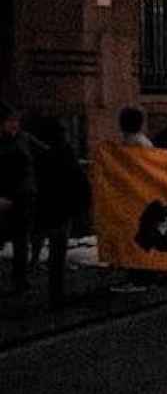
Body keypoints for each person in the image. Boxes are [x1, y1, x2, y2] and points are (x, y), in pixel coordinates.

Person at [26, 116, 87, 307]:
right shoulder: (64, 152)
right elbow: (76, 178)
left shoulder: (39, 154)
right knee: (58, 252)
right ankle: (56, 294)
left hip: (46, 206)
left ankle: (53, 290)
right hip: (62, 207)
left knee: (52, 249)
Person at [0, 103, 37, 293]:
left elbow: (44, 155)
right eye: (10, 121)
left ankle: (20, 279)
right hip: (5, 199)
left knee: (21, 241)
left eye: (16, 121)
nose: (14, 124)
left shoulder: (24, 139)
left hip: (24, 197)